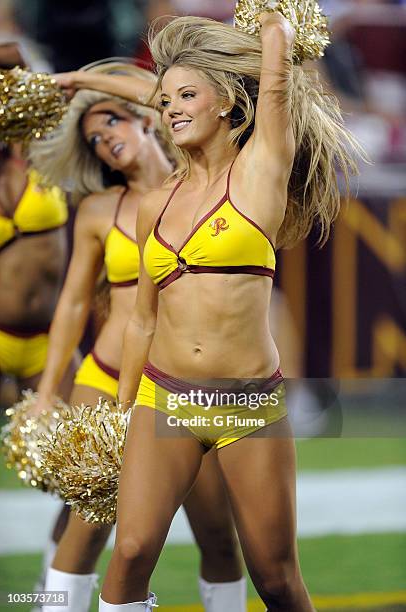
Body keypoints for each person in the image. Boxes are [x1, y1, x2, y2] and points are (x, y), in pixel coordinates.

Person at [64, 11, 358, 612]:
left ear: (226, 102)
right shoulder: (156, 202)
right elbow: (143, 319)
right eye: (165, 99)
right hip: (162, 396)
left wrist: (269, 23)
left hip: (246, 403)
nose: (170, 108)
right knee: (131, 551)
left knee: (275, 577)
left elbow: (274, 75)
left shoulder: (259, 172)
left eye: (187, 96)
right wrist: (119, 415)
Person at [30, 62, 247, 612]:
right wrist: (50, 390)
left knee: (218, 534)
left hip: (182, 385)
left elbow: (164, 97)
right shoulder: (99, 211)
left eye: (112, 125)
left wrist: (81, 83)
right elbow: (74, 304)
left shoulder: (199, 188)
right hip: (104, 379)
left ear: (144, 119)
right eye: (96, 140)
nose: (106, 142)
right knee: (90, 527)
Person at [0, 42, 78, 599]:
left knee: (83, 474)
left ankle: (52, 589)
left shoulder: (39, 147)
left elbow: (12, 52)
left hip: (50, 340)